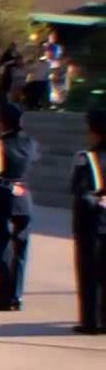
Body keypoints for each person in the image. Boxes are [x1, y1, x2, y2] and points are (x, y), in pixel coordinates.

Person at [0, 102, 39, 312]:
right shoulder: (30, 143)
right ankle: (16, 295)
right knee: (20, 249)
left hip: (0, 199)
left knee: (0, 247)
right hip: (24, 198)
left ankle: (3, 295)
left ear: (1, 121)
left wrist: (8, 186)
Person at [70, 110, 106, 335]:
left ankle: (91, 321)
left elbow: (80, 192)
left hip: (92, 223)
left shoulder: (88, 158)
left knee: (89, 272)